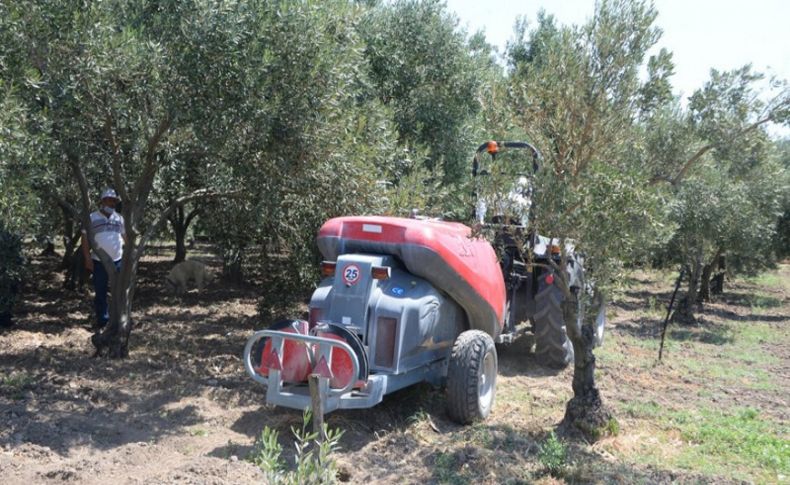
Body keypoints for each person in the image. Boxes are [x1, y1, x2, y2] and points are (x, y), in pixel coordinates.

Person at [81, 189, 126, 329]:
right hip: (99, 261)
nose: (111, 203)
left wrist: (131, 253)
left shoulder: (119, 218)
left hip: (117, 260)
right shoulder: (92, 218)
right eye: (108, 200)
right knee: (100, 292)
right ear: (102, 201)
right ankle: (102, 320)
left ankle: (118, 319)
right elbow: (85, 239)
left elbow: (125, 237)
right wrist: (87, 258)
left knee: (118, 292)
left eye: (113, 201)